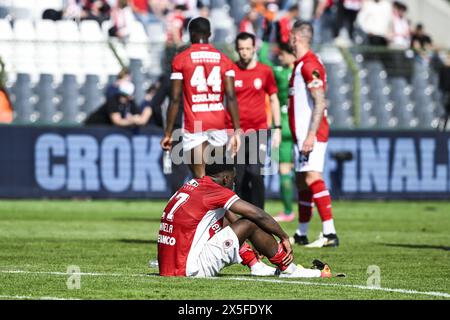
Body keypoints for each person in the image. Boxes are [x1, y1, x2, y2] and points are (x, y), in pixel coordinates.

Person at [157, 161, 332, 278]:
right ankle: (289, 269)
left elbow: (229, 218)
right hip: (189, 269)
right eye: (233, 179)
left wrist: (251, 242)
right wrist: (283, 236)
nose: (234, 183)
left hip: (168, 267)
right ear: (225, 178)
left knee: (225, 217)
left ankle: (255, 265)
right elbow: (257, 214)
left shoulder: (191, 185)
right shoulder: (216, 191)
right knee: (250, 222)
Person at [160, 17, 242, 179]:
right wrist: (237, 131)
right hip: (218, 123)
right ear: (209, 34)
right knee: (217, 178)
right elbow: (231, 97)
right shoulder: (224, 60)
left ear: (190, 34)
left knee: (200, 177)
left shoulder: (181, 59)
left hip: (194, 123)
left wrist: (168, 133)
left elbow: (175, 99)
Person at [288, 21, 339, 248]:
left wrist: (311, 134)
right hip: (301, 135)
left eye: (290, 36)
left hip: (311, 134)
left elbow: (320, 101)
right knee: (301, 181)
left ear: (296, 37)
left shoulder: (309, 65)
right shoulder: (300, 65)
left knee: (312, 177)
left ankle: (329, 233)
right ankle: (302, 233)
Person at [228, 32, 281, 211]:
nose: (244, 52)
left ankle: (259, 216)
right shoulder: (230, 71)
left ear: (254, 48)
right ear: (236, 49)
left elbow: (274, 98)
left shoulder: (264, 71)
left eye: (248, 49)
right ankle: (246, 215)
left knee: (256, 174)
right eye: (241, 49)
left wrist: (278, 128)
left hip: (258, 130)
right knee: (239, 177)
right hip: (237, 132)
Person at [258, 38, 297, 222]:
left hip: (283, 124)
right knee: (304, 171)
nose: (279, 57)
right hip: (300, 124)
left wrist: (266, 40)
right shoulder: (301, 72)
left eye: (282, 54)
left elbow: (263, 60)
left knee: (284, 170)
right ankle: (308, 204)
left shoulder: (280, 73)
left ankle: (288, 211)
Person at [85, 81, 150, 127]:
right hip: (94, 126)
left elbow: (139, 118)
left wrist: (134, 119)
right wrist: (132, 121)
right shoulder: (113, 100)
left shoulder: (130, 102)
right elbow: (117, 121)